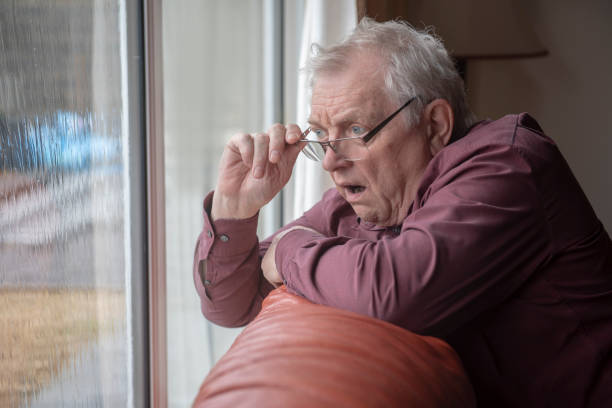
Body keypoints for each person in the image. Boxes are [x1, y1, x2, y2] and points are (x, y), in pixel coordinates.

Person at [193, 18, 612, 406]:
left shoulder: (509, 164)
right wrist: (236, 209)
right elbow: (232, 304)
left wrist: (288, 248)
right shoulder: (363, 198)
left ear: (434, 125)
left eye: (356, 130)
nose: (330, 161)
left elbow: (393, 291)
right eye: (321, 135)